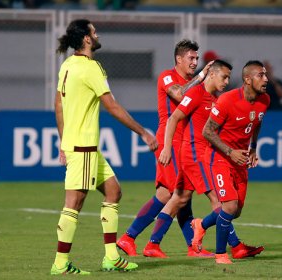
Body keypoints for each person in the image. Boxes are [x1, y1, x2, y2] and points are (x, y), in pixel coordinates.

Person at [51, 19, 158, 275]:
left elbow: (58, 105)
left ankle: (111, 257)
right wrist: (142, 131)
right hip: (84, 147)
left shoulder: (67, 65)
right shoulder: (91, 67)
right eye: (94, 31)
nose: (97, 35)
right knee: (74, 202)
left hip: (80, 146)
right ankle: (60, 263)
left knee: (113, 191)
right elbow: (112, 106)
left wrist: (63, 143)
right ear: (87, 39)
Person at [116, 39, 213, 258]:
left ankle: (189, 246)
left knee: (181, 194)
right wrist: (200, 78)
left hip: (184, 142)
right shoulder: (167, 76)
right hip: (170, 141)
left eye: (197, 58)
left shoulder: (197, 83)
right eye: (191, 58)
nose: (195, 62)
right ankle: (135, 239)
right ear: (178, 59)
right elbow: (179, 94)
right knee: (172, 194)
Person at [145, 60, 232, 258]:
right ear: (211, 74)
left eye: (228, 78)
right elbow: (173, 118)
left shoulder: (214, 98)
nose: (227, 81)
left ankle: (152, 244)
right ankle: (230, 246)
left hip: (199, 154)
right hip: (194, 155)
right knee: (219, 201)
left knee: (179, 198)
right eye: (223, 77)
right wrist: (166, 148)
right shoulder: (196, 92)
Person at [201, 60, 270, 264]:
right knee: (229, 207)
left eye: (265, 74)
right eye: (260, 75)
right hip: (220, 157)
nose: (266, 79)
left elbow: (257, 121)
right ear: (247, 79)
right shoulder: (227, 100)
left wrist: (253, 148)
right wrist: (230, 152)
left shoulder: (265, 100)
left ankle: (200, 225)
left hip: (239, 159)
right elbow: (207, 131)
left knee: (235, 212)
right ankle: (221, 254)